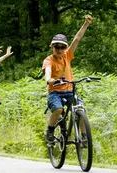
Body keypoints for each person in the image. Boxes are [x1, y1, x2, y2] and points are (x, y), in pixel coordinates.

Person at [42, 15, 93, 143]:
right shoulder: (49, 60)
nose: (59, 50)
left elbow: (77, 39)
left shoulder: (67, 56)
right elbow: (47, 71)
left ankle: (84, 137)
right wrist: (49, 79)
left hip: (70, 91)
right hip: (55, 92)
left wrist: (86, 24)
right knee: (58, 109)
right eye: (56, 47)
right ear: (51, 47)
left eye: (62, 47)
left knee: (80, 109)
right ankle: (50, 129)